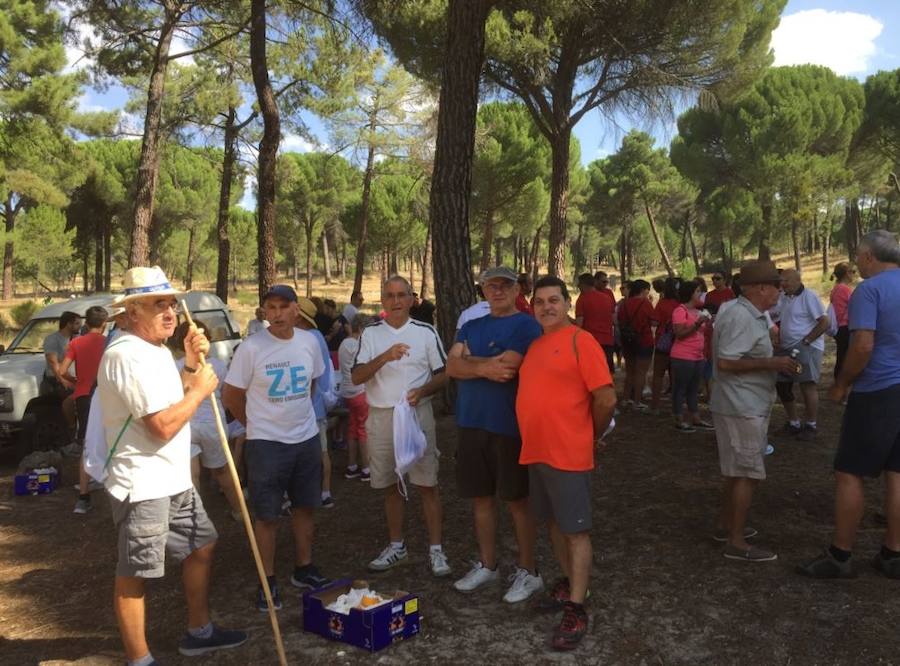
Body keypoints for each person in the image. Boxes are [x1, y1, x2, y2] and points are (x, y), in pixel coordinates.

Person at [97, 266, 247, 663]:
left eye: (171, 304)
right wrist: (199, 393)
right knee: (136, 574)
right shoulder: (125, 355)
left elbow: (170, 395)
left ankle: (199, 632)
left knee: (203, 544)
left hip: (173, 478)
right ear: (131, 313)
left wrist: (193, 366)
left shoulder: (157, 350)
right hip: (143, 483)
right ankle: (139, 659)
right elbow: (162, 425)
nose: (170, 312)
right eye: (157, 305)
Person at [516, 276, 616, 650]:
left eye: (553, 300)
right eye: (539, 301)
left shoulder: (581, 340)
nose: (546, 307)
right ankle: (568, 582)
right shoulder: (538, 345)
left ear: (567, 303)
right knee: (555, 524)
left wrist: (591, 436)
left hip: (568, 453)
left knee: (575, 531)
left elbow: (605, 398)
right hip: (537, 452)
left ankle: (577, 605)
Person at [797, 230, 900, 579]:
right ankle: (893, 552)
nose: (856, 263)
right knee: (897, 473)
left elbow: (862, 346)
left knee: (849, 472)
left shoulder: (869, 291)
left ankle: (840, 555)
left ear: (869, 256)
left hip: (878, 391)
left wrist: (841, 383)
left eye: (858, 256)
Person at [222, 284, 329, 612]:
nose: (278, 313)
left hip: (305, 439)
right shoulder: (251, 348)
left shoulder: (309, 342)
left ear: (297, 309)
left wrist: (299, 417)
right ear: (264, 312)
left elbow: (312, 383)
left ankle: (303, 567)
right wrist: (258, 425)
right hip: (267, 443)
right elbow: (231, 396)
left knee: (305, 506)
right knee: (267, 514)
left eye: (284, 306)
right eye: (271, 307)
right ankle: (267, 580)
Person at [446, 267, 544, 603]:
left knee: (517, 501)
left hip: (509, 425)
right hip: (471, 422)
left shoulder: (526, 324)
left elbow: (507, 368)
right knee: (480, 498)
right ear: (483, 290)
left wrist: (471, 362)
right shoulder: (472, 325)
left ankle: (529, 572)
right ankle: (488, 565)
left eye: (505, 285)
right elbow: (451, 367)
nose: (497, 291)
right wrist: (483, 365)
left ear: (517, 289)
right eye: (491, 286)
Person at [350, 276, 451, 577]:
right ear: (382, 300)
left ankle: (436, 550)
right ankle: (397, 546)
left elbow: (444, 374)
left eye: (401, 295)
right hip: (382, 416)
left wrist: (423, 391)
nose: (395, 301)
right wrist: (385, 356)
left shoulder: (425, 332)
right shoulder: (370, 334)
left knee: (427, 484)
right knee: (390, 486)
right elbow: (356, 377)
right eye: (389, 295)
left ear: (411, 299)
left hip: (417, 414)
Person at [711, 260, 799, 562]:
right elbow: (725, 362)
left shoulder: (746, 312)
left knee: (737, 471)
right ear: (761, 288)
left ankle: (727, 527)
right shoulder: (740, 316)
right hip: (741, 405)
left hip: (744, 403)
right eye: (777, 285)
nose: (781, 290)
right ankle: (736, 543)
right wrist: (773, 363)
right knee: (747, 473)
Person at [169, 321, 243, 521]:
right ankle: (237, 512)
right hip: (202, 424)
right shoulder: (217, 364)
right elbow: (227, 397)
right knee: (219, 472)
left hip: (196, 424)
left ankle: (199, 518)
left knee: (195, 474)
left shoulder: (181, 366)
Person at [57, 306, 108, 514]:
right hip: (106, 394)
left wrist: (76, 381)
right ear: (104, 325)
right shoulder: (109, 343)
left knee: (88, 442)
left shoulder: (76, 342)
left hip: (84, 395)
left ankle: (83, 497)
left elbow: (61, 371)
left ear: (86, 323)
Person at [774, 269, 829, 441]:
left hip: (807, 347)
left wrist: (807, 341)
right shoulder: (784, 297)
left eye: (786, 281)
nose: (783, 284)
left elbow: (825, 321)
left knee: (807, 384)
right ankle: (793, 423)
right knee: (782, 384)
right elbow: (774, 315)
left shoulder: (809, 296)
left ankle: (811, 425)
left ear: (797, 280)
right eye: (781, 281)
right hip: (786, 347)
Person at [294, 296, 337, 508]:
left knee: (317, 452)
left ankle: (322, 491)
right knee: (320, 451)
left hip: (311, 404)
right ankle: (324, 492)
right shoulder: (316, 335)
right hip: (315, 404)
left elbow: (313, 374)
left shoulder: (308, 338)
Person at [669, 281, 713, 432]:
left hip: (698, 356)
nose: (701, 294)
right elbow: (679, 334)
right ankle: (678, 419)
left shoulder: (698, 311)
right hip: (682, 356)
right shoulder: (680, 311)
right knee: (680, 388)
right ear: (690, 294)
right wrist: (697, 324)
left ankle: (696, 418)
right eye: (698, 291)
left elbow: (702, 334)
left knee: (694, 388)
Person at [339, 314, 372, 482]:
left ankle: (352, 465)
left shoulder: (344, 343)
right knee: (363, 429)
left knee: (352, 428)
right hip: (359, 391)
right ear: (361, 328)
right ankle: (366, 467)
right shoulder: (358, 344)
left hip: (347, 390)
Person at [44, 310, 82, 448]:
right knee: (70, 399)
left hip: (73, 378)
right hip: (57, 379)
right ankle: (71, 429)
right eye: (77, 323)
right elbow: (53, 363)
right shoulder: (52, 339)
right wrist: (63, 380)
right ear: (68, 324)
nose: (80, 326)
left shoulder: (77, 338)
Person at [618, 280, 655, 410]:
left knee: (629, 372)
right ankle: (637, 401)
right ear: (643, 290)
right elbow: (654, 320)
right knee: (641, 373)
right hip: (644, 340)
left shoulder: (624, 304)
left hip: (628, 340)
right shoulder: (645, 303)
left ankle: (625, 399)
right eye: (647, 290)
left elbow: (620, 321)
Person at [575, 273, 615, 372]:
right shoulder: (607, 298)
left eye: (579, 285)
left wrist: (566, 319)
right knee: (607, 374)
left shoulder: (582, 299)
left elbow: (578, 324)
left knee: (590, 374)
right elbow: (613, 319)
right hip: (607, 340)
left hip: (590, 342)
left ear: (583, 285)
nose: (578, 287)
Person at [650, 277, 679, 413]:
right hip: (679, 343)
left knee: (658, 375)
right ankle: (676, 407)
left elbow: (654, 322)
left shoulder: (662, 303)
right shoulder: (681, 305)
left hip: (662, 342)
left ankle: (655, 406)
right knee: (676, 376)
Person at [829, 262, 855, 379]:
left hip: (840, 327)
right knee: (845, 357)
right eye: (852, 271)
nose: (854, 274)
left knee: (842, 355)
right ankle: (841, 382)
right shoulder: (844, 289)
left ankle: (840, 380)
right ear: (846, 274)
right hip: (845, 327)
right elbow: (854, 307)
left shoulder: (836, 288)